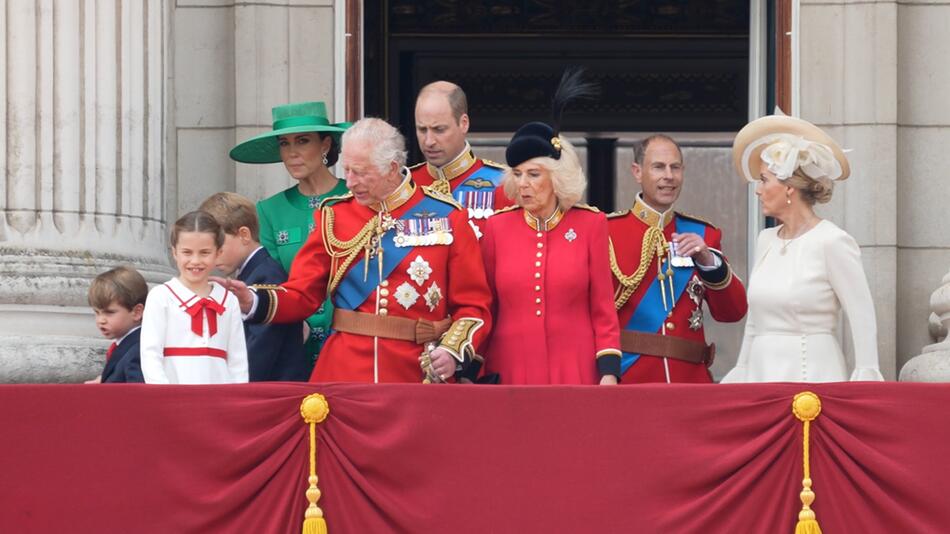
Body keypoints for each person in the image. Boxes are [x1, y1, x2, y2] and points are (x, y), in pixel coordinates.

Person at [221, 118, 492, 384]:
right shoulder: (334, 216)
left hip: (416, 371)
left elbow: (472, 306)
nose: (349, 182)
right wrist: (254, 300)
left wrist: (451, 351)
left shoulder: (448, 216)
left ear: (392, 168)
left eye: (360, 172)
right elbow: (302, 293)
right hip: (343, 370)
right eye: (347, 170)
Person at [720, 113, 884, 382]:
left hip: (812, 374)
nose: (758, 190)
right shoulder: (766, 240)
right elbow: (755, 321)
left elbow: (862, 315)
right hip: (760, 375)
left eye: (764, 179)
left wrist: (866, 374)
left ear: (789, 188)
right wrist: (742, 369)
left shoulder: (832, 241)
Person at [481, 121, 621, 385]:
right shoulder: (497, 227)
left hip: (575, 369)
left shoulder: (591, 225)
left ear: (557, 178)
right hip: (510, 370)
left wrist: (609, 372)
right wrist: (471, 368)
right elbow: (487, 309)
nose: (523, 184)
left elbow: (603, 310)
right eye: (517, 174)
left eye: (533, 174)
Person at [608, 134, 748, 383]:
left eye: (675, 167)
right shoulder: (607, 232)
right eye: (658, 167)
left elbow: (733, 311)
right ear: (637, 172)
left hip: (690, 381)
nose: (668, 176)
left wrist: (707, 260)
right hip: (631, 380)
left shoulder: (705, 234)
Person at [229, 101, 350, 363]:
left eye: (303, 141)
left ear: (325, 145)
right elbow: (267, 279)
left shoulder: (354, 199)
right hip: (293, 342)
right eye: (285, 143)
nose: (292, 152)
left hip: (348, 342)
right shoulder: (268, 210)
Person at [199, 192, 309, 381]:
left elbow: (258, 353)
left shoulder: (268, 277)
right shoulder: (256, 273)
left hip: (273, 392)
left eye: (218, 246)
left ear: (244, 235)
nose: (212, 256)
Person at [140, 211, 249, 384]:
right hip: (174, 397)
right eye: (187, 252)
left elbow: (238, 360)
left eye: (205, 253)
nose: (195, 261)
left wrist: (236, 400)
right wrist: (164, 396)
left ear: (218, 253)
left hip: (220, 398)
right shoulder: (161, 297)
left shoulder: (229, 301)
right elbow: (150, 355)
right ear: (175, 253)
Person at [410, 81, 512, 237]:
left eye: (439, 129)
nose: (429, 141)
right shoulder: (405, 185)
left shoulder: (503, 183)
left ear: (464, 124)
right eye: (422, 129)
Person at [85, 266, 147, 383]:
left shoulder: (137, 350)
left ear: (137, 312)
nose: (101, 320)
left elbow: (137, 396)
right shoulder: (127, 346)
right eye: (97, 312)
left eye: (109, 312)